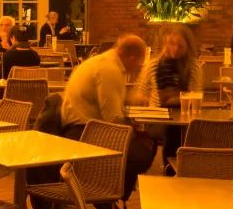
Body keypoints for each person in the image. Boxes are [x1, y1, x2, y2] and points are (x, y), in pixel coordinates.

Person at [52, 34, 158, 197]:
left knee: (140, 140)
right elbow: (113, 119)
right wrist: (134, 130)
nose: (139, 68)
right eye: (139, 63)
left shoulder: (102, 62)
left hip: (73, 127)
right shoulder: (110, 71)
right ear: (131, 58)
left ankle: (107, 192)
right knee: (145, 148)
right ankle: (108, 192)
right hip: (82, 133)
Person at [131, 28, 200, 108]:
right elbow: (139, 93)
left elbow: (196, 95)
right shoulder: (153, 65)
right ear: (165, 44)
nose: (176, 49)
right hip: (158, 113)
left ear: (188, 47)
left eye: (180, 46)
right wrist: (145, 99)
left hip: (184, 112)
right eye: (172, 44)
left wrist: (176, 99)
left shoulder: (193, 67)